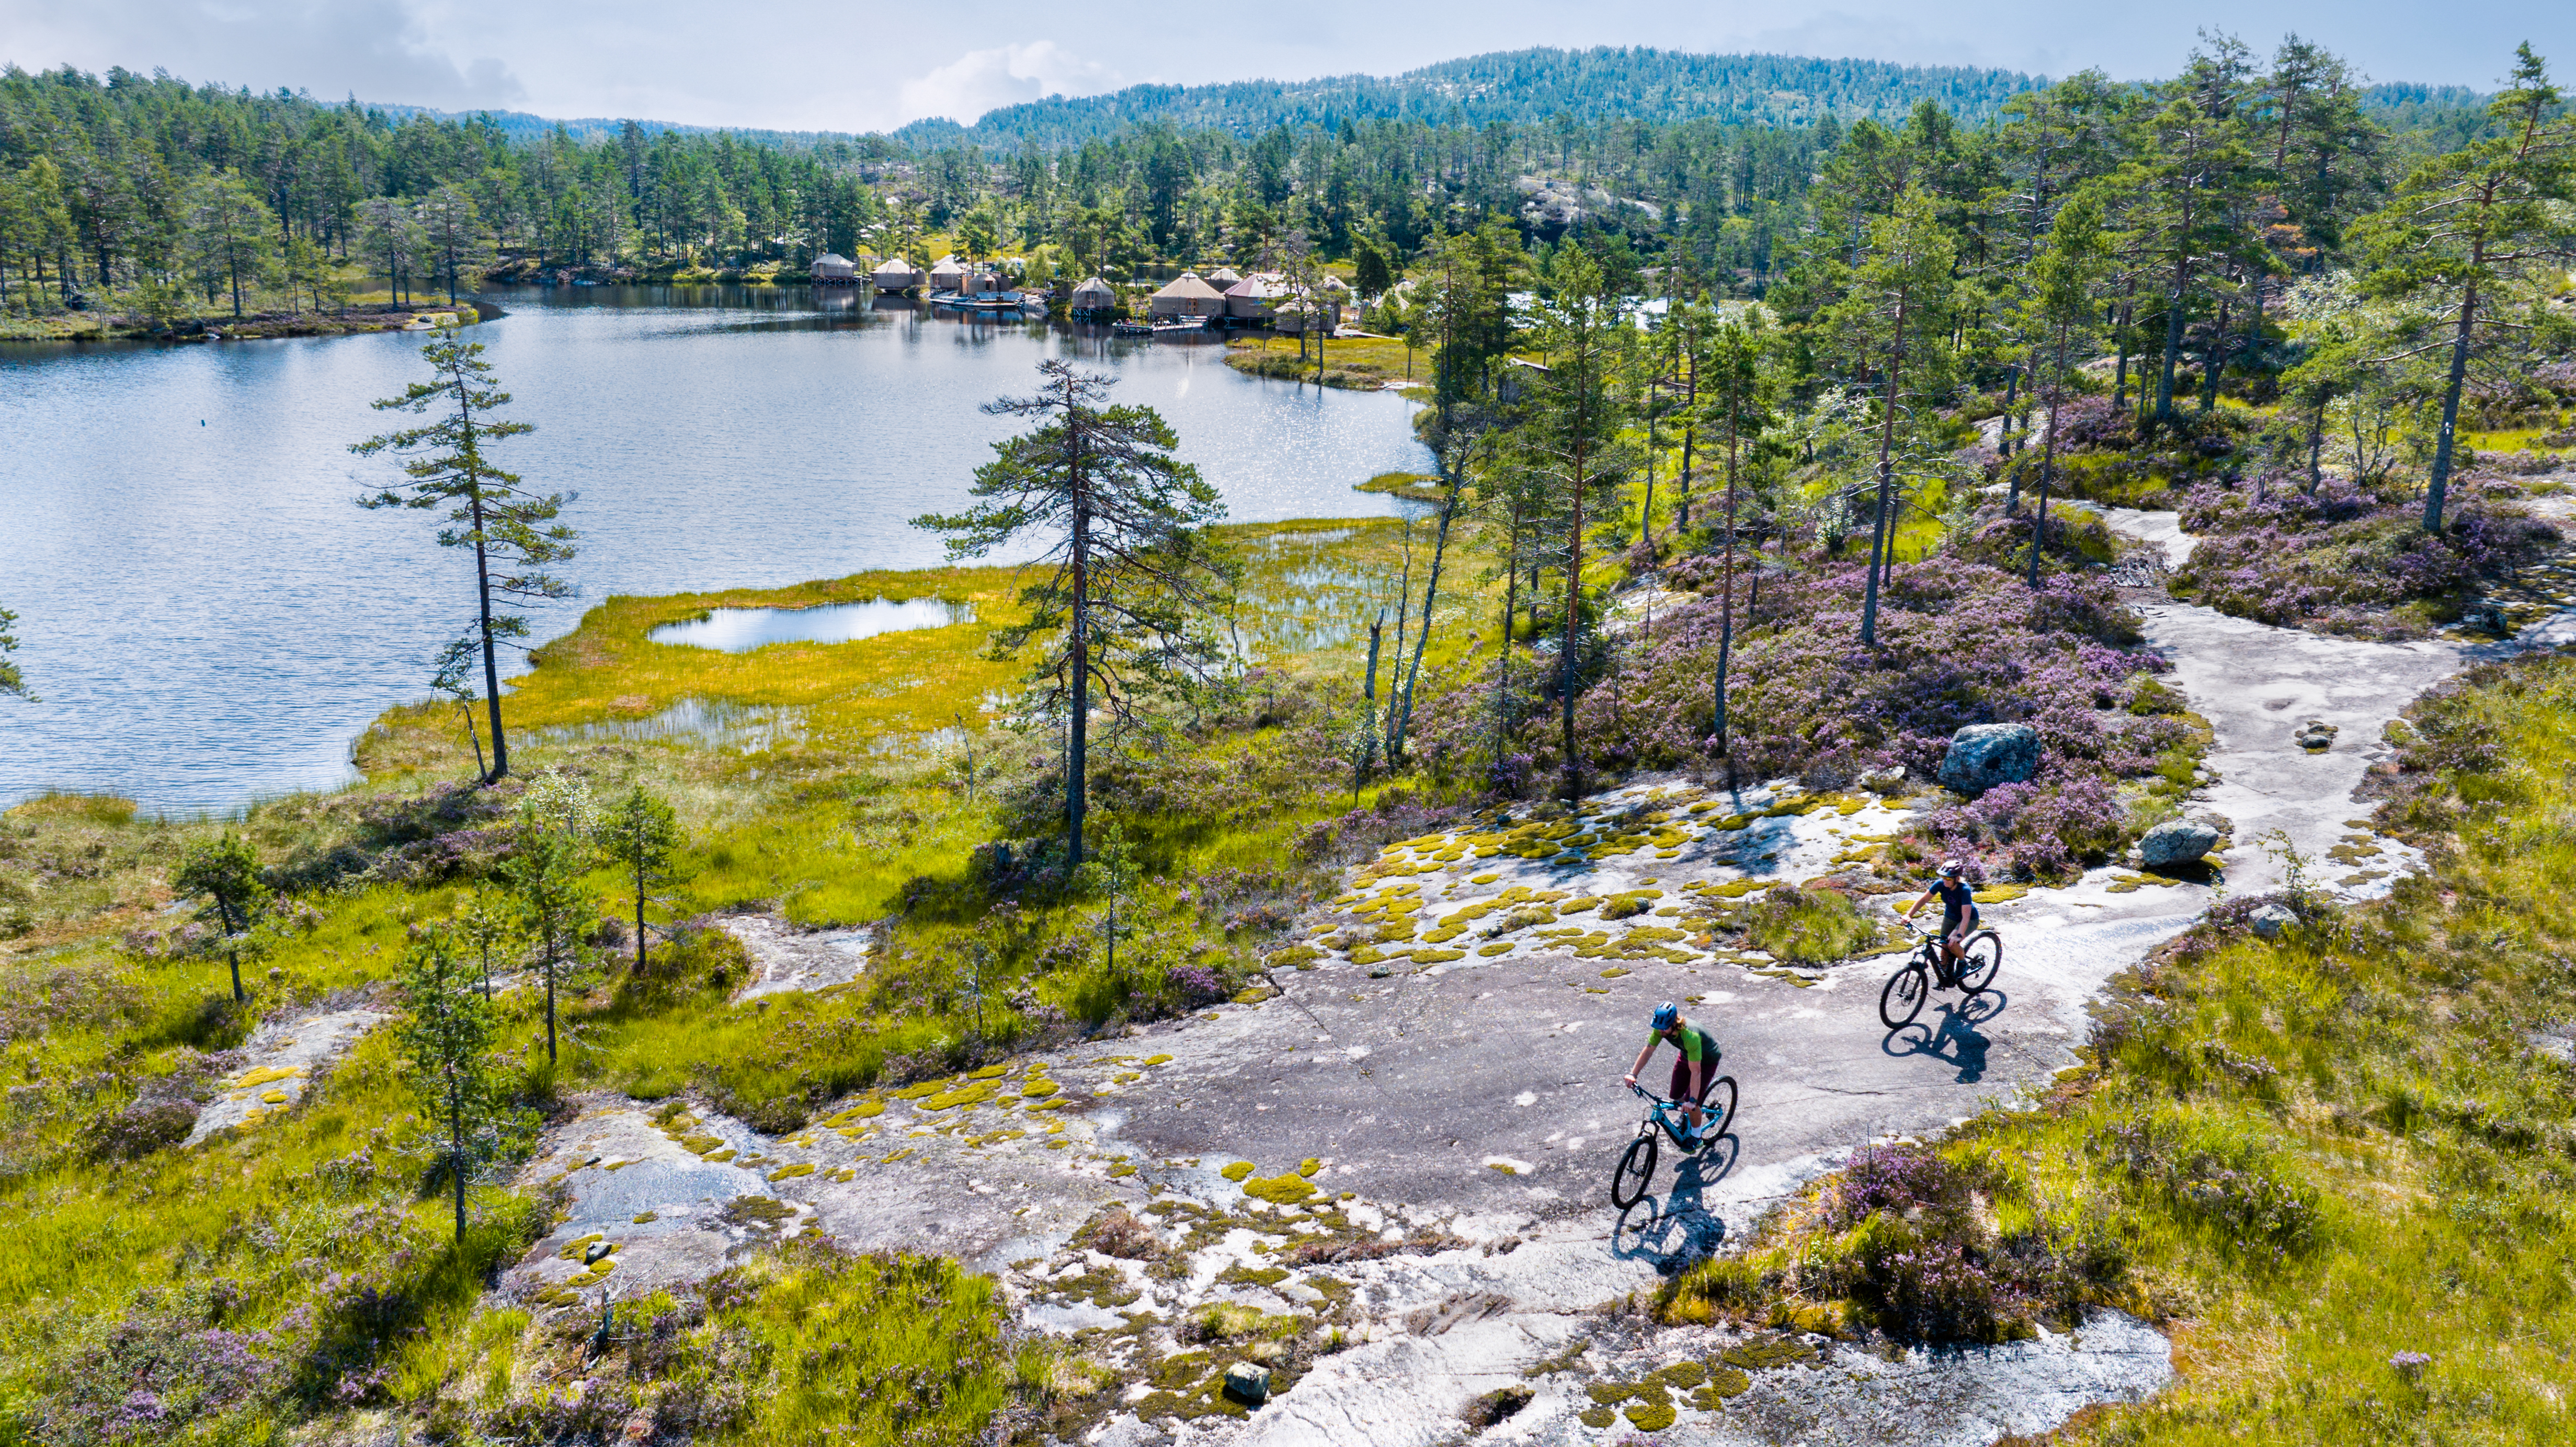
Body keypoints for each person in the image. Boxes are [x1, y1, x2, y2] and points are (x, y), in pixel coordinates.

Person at [1623, 1002, 1722, 1140]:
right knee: (1676, 1095)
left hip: (1707, 1061)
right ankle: (1687, 1112)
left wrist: (1693, 1101)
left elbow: (1696, 1072)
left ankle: (1697, 1136)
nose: (1660, 1031)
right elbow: (1648, 1050)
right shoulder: (1661, 1029)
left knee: (1691, 1102)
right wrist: (1633, 1074)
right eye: (1658, 1028)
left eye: (1664, 1029)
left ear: (1674, 1023)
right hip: (1687, 1055)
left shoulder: (1690, 1036)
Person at [1900, 859, 1978, 983]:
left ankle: (1963, 963)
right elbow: (1924, 899)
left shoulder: (1964, 890)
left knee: (1952, 944)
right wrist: (1909, 914)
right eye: (1943, 877)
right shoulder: (1940, 884)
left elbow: (1966, 917)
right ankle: (1945, 977)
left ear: (1957, 878)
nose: (1945, 881)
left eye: (1948, 879)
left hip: (1969, 920)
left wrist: (1958, 935)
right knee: (1944, 945)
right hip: (1950, 917)